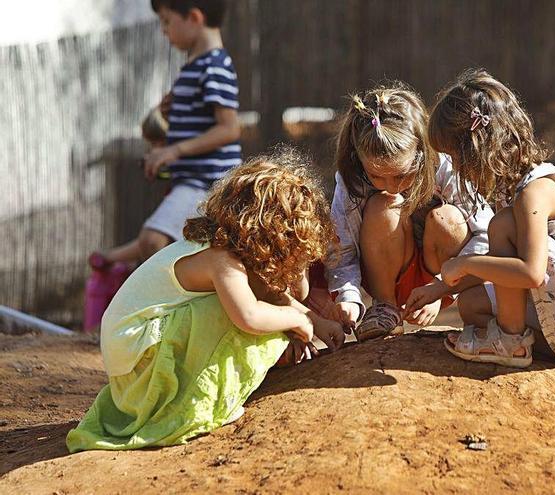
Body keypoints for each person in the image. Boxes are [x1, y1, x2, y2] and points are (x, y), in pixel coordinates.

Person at [66, 149, 345, 452]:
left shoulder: (228, 253)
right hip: (141, 366)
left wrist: (316, 320)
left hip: (133, 365)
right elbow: (249, 316)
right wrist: (297, 319)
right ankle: (196, 406)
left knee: (256, 302)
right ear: (273, 239)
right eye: (295, 251)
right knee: (228, 312)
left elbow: (282, 294)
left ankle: (267, 361)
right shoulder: (219, 260)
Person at [427, 69, 555, 382]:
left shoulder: (534, 193)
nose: (457, 169)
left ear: (474, 149)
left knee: (501, 225)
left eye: (455, 156)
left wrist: (464, 262)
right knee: (471, 306)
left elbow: (529, 272)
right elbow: (508, 269)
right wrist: (438, 288)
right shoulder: (513, 187)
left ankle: (510, 342)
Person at [316, 82, 493, 341]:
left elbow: (486, 235)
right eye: (376, 176)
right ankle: (385, 308)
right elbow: (341, 250)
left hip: (440, 275)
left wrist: (442, 289)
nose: (390, 185)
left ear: (421, 154)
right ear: (359, 159)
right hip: (386, 268)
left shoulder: (444, 166)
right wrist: (349, 297)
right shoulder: (351, 180)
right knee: (383, 204)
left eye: (401, 175)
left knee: (449, 219)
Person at [93, 0, 243, 268]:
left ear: (194, 17)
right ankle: (114, 261)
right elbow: (199, 121)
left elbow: (229, 128)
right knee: (169, 239)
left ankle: (158, 292)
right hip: (192, 179)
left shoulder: (214, 66)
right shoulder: (194, 66)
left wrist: (174, 151)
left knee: (154, 240)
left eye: (166, 20)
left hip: (208, 181)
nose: (163, 30)